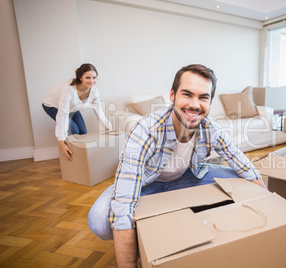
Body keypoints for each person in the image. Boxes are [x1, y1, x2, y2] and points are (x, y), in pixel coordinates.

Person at [88, 64, 266, 267]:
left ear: (210, 101)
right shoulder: (146, 130)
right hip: (147, 184)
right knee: (101, 221)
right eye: (187, 94)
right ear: (172, 95)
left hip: (188, 178)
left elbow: (245, 167)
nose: (195, 104)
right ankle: (145, 240)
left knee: (244, 182)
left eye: (203, 97)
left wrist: (269, 209)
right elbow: (123, 205)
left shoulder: (212, 129)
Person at [42, 63, 112, 161]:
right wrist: (61, 142)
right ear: (80, 77)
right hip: (52, 104)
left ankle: (83, 160)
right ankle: (75, 161)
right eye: (88, 77)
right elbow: (62, 115)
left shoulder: (94, 91)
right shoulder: (69, 89)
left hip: (71, 107)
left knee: (83, 132)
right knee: (74, 131)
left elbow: (98, 110)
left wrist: (109, 128)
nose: (91, 81)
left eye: (94, 78)